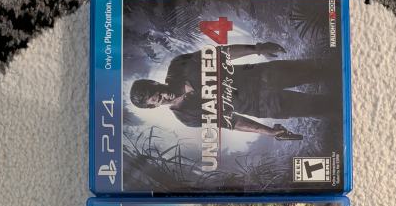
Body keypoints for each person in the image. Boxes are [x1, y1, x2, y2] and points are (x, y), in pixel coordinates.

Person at [130, 42, 339, 139]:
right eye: (158, 100)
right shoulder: (186, 116)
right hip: (264, 105)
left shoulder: (178, 66)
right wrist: (268, 131)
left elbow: (221, 54)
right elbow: (231, 122)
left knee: (325, 68)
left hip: (263, 74)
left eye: (159, 91)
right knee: (325, 107)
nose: (164, 96)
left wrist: (257, 49)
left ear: (155, 82)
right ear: (154, 106)